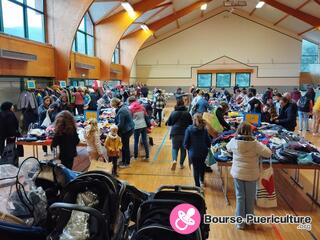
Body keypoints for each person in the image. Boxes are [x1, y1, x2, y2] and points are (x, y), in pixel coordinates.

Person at [226, 122, 272, 230]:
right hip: (251, 175)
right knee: (250, 198)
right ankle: (249, 220)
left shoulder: (233, 141)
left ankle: (239, 223)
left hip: (238, 173)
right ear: (250, 131)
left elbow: (228, 148)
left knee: (240, 197)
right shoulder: (255, 144)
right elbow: (269, 153)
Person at [184, 113, 211, 188]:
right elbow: (208, 142)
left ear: (193, 120)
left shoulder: (189, 129)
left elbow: (185, 143)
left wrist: (188, 148)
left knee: (195, 169)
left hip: (193, 152)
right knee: (202, 166)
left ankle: (197, 186)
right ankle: (202, 180)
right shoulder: (204, 129)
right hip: (203, 152)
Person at [166, 99, 193, 171]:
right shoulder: (187, 113)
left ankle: (174, 160)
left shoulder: (173, 113)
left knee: (174, 148)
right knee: (183, 150)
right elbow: (191, 123)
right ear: (183, 104)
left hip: (175, 132)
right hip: (185, 133)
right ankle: (181, 164)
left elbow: (169, 123)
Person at [111, 98, 134, 168]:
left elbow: (121, 124)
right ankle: (123, 160)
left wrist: (113, 128)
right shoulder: (124, 106)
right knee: (124, 146)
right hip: (129, 128)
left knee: (125, 147)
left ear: (115, 104)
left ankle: (127, 163)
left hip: (126, 131)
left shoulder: (122, 111)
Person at [128, 96, 149, 161]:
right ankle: (147, 156)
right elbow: (146, 117)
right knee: (145, 141)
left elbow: (130, 119)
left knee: (136, 141)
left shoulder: (130, 109)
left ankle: (135, 156)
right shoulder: (142, 107)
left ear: (130, 102)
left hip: (136, 126)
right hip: (143, 125)